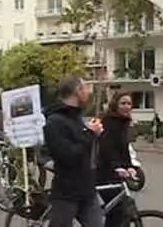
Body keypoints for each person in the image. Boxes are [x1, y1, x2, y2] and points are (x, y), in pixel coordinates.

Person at [43, 75, 104, 227]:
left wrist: (94, 134)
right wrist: (90, 134)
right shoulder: (55, 121)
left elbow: (85, 149)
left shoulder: (76, 117)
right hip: (67, 194)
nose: (89, 93)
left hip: (87, 190)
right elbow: (67, 155)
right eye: (85, 88)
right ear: (77, 91)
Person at [97, 91, 137, 227]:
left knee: (120, 212)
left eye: (129, 103)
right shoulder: (108, 121)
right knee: (117, 211)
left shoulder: (124, 122)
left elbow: (124, 148)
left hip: (115, 171)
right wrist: (116, 166)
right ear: (115, 105)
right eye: (123, 103)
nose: (127, 106)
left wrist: (130, 166)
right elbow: (106, 147)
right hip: (103, 171)